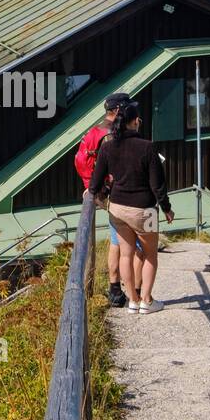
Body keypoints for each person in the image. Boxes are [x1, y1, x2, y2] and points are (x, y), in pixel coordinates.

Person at [89, 101, 173, 313]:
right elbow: (157, 185)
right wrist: (167, 208)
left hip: (117, 209)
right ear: (135, 122)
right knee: (150, 255)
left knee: (125, 255)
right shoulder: (148, 147)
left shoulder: (108, 147)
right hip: (145, 210)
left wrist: (96, 193)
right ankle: (147, 300)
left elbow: (95, 183)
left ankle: (133, 301)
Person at [74, 91, 140, 306]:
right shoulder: (112, 134)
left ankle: (115, 289)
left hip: (101, 192)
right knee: (133, 246)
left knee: (115, 242)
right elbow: (113, 164)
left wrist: (90, 188)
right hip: (116, 194)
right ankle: (137, 295)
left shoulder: (95, 130)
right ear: (119, 110)